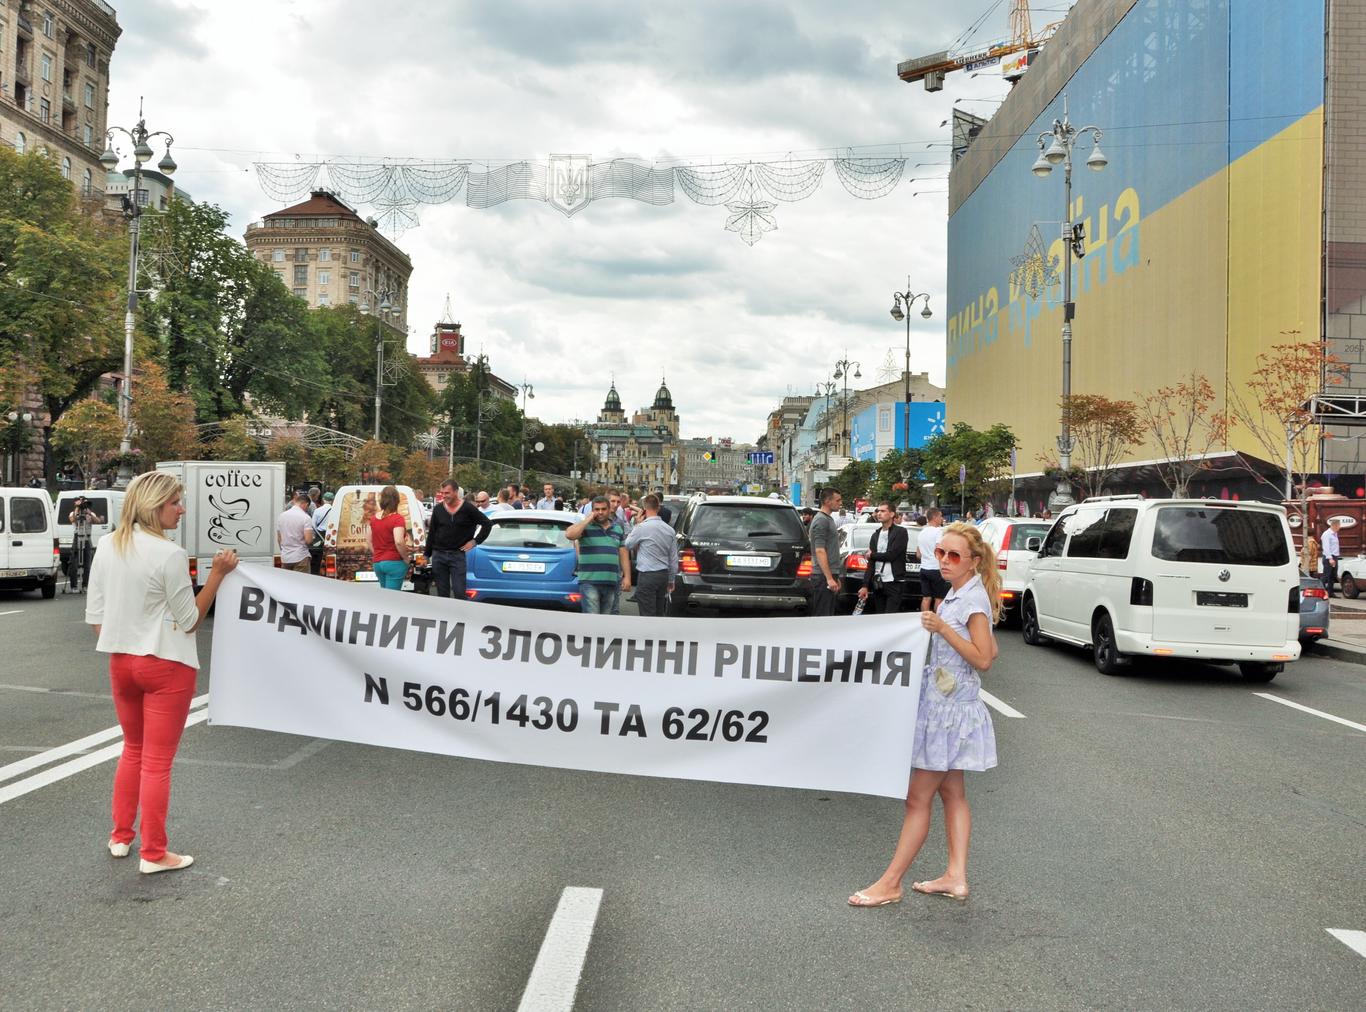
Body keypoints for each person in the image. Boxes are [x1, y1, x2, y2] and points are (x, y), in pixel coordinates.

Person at [85, 470, 239, 874]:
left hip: (121, 662)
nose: (181, 509)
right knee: (157, 762)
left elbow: (97, 618)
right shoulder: (168, 554)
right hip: (166, 665)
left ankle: (121, 836)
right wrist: (218, 574)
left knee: (132, 750)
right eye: (175, 503)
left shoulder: (107, 545)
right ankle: (154, 853)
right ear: (155, 507)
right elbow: (190, 619)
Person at [849, 522, 1001, 908]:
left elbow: (984, 659)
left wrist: (941, 630)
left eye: (954, 556)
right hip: (947, 706)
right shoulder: (961, 594)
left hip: (949, 715)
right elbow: (991, 650)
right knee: (952, 794)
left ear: (974, 561)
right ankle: (956, 876)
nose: (945, 561)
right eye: (940, 554)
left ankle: (890, 882)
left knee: (917, 798)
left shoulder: (970, 600)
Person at [424, 479, 493, 599]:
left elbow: (487, 524)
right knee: (442, 593)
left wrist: (475, 541)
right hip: (438, 555)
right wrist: (426, 555)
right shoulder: (438, 509)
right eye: (443, 493)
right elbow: (432, 533)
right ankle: (443, 617)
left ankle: (459, 617)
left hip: (457, 555)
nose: (444, 496)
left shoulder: (468, 509)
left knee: (459, 592)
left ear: (456, 492)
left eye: (447, 493)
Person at [566, 495, 631, 614]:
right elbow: (570, 535)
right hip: (589, 582)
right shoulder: (585, 527)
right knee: (592, 620)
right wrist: (588, 519)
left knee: (605, 622)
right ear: (592, 511)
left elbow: (624, 553)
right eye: (597, 509)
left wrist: (627, 577)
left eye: (603, 509)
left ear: (609, 509)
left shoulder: (617, 528)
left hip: (611, 581)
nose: (600, 512)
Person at [625, 493, 679, 617]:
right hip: (663, 575)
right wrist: (671, 579)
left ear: (644, 508)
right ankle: (658, 635)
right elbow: (673, 558)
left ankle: (648, 635)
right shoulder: (669, 530)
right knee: (659, 611)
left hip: (647, 574)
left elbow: (628, 544)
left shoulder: (642, 527)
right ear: (658, 508)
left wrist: (637, 524)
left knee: (646, 612)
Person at [858, 501, 909, 615]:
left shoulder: (900, 532)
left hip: (894, 581)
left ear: (891, 514)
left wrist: (872, 555)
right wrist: (865, 586)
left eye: (883, 511)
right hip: (878, 582)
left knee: (890, 616)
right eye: (878, 511)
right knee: (880, 615)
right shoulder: (875, 535)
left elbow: (892, 555)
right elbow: (871, 563)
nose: (879, 513)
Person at [367, 485, 411, 591]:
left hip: (377, 563)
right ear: (396, 501)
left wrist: (378, 554)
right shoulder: (397, 519)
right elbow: (399, 541)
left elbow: (368, 541)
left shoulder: (372, 519)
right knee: (392, 600)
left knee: (385, 597)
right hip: (394, 562)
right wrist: (406, 559)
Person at [807, 488, 842, 616]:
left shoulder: (827, 519)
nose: (840, 503)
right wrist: (829, 578)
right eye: (837, 500)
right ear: (827, 501)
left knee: (828, 613)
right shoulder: (821, 520)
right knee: (823, 614)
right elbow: (820, 550)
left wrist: (833, 576)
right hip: (822, 576)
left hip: (827, 575)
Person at [68, 495, 105, 592]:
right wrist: (77, 508)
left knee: (88, 563)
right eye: (83, 504)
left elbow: (98, 521)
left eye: (86, 504)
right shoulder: (73, 513)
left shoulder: (90, 513)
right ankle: (74, 586)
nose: (85, 506)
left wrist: (90, 514)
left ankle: (85, 585)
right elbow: (73, 520)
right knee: (74, 563)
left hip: (87, 538)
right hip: (77, 537)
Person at [918, 507, 949, 612]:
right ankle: (936, 623)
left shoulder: (922, 532)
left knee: (926, 598)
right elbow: (938, 551)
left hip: (923, 569)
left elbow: (918, 554)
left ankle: (924, 623)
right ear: (935, 517)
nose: (942, 518)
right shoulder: (938, 531)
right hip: (936, 569)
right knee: (939, 598)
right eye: (940, 516)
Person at [276, 491, 314, 573]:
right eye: (307, 507)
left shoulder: (281, 516)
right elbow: (308, 540)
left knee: (286, 584)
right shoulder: (305, 517)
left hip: (285, 557)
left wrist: (283, 550)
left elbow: (279, 538)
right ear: (306, 504)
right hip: (300, 556)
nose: (307, 509)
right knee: (301, 584)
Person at [308, 491, 335, 576]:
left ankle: (318, 572)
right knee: (331, 555)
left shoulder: (317, 510)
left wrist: (317, 534)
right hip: (332, 535)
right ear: (332, 500)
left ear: (323, 500)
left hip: (319, 536)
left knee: (318, 556)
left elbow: (312, 525)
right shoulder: (335, 511)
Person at [1321, 518, 1342, 597]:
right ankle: (1322, 592)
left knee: (1332, 576)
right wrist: (1330, 558)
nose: (1340, 527)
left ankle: (1330, 592)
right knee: (1326, 576)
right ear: (1335, 525)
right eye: (1339, 525)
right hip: (1329, 557)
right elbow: (1326, 547)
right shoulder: (1327, 534)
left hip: (1334, 557)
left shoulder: (1334, 534)